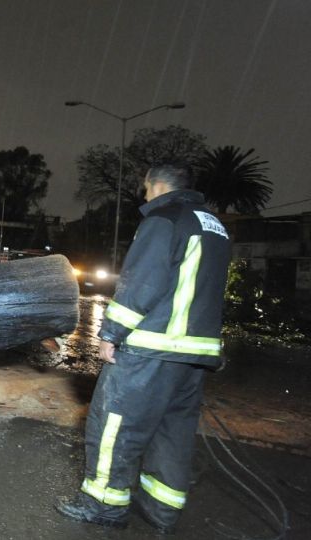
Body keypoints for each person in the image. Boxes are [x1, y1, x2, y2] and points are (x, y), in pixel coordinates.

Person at [55, 163, 231, 534]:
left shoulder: (165, 219)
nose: (145, 196)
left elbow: (141, 283)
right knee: (173, 431)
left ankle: (104, 503)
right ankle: (161, 509)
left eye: (146, 189)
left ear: (158, 186)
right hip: (194, 355)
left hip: (152, 347)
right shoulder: (215, 226)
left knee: (115, 425)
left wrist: (111, 332)